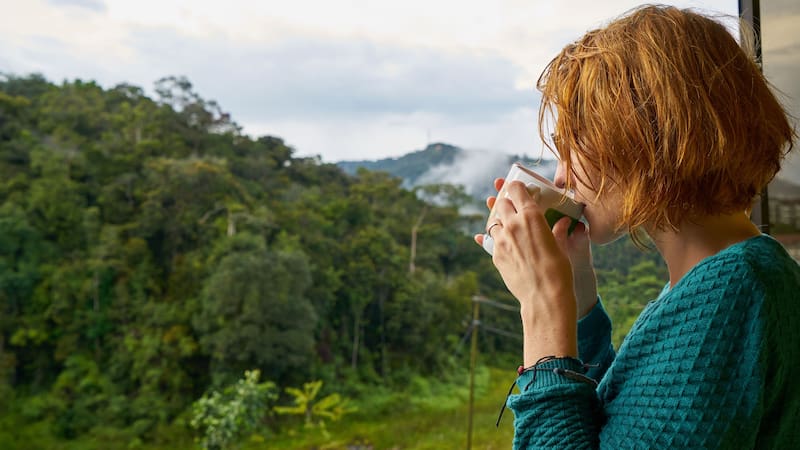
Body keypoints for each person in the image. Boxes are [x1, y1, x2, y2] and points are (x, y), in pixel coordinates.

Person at [474, 5, 799, 449]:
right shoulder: (726, 277)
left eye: (573, 150)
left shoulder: (732, 291)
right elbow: (627, 421)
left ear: (641, 139)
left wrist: (543, 311)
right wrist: (578, 296)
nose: (562, 178)